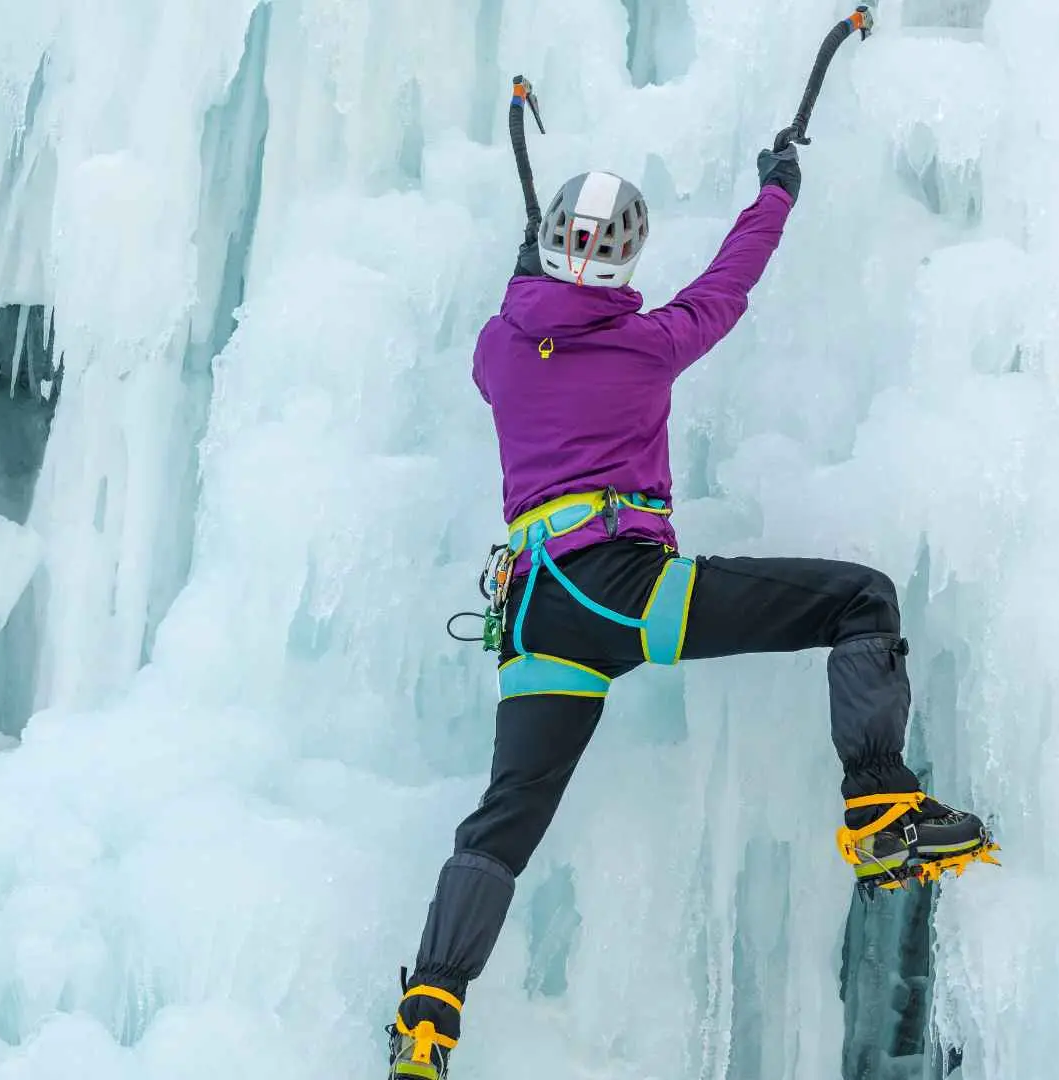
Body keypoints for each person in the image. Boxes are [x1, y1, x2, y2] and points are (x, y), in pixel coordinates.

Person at [385, 137, 997, 1079]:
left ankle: (429, 1009)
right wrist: (776, 194)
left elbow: (529, 325)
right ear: (626, 256)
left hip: (537, 620)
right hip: (626, 592)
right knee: (860, 601)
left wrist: (526, 281)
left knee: (504, 822)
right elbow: (729, 283)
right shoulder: (647, 344)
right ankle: (878, 804)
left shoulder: (495, 350)